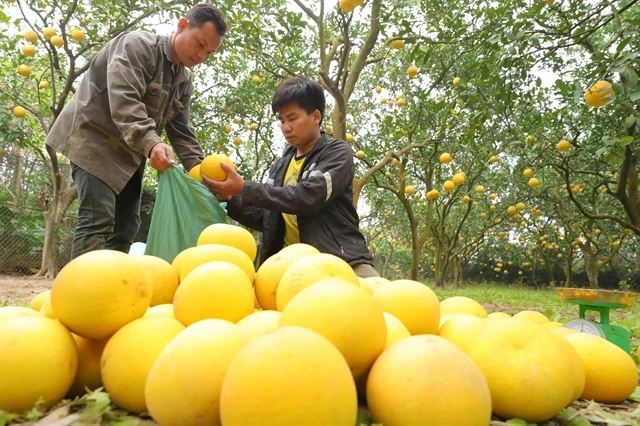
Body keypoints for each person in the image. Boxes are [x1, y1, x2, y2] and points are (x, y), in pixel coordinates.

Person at [46, 4, 227, 259]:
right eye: (200, 44)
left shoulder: (183, 82)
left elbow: (182, 131)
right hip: (93, 140)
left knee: (126, 228)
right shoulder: (137, 46)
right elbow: (124, 100)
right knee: (98, 219)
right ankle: (83, 293)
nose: (202, 56)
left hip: (130, 155)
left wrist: (201, 174)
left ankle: (112, 290)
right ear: (183, 25)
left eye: (209, 52)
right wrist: (152, 144)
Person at [202, 77, 379, 278]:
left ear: (316, 116)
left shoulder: (337, 152)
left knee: (379, 303)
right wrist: (229, 198)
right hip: (289, 271)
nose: (286, 127)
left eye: (292, 118)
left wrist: (244, 188)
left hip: (341, 262)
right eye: (282, 121)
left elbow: (308, 197)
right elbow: (266, 218)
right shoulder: (280, 166)